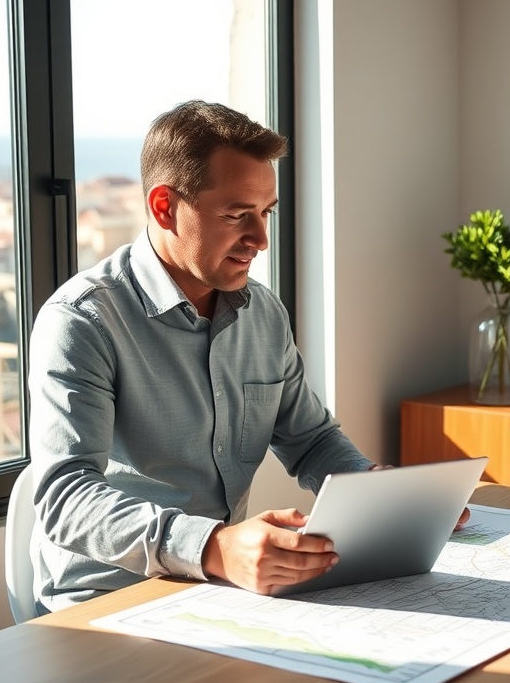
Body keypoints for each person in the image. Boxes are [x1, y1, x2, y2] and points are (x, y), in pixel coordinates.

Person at [28, 100, 395, 612]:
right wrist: (215, 546)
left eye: (264, 214)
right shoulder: (81, 321)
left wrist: (380, 497)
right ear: (163, 207)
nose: (261, 240)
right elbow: (64, 500)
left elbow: (310, 441)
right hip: (108, 601)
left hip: (219, 595)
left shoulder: (262, 314)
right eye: (237, 215)